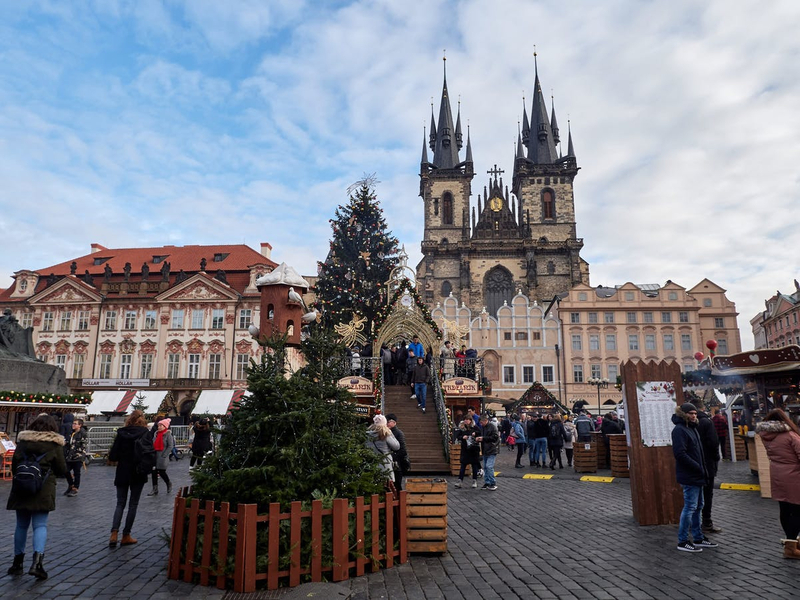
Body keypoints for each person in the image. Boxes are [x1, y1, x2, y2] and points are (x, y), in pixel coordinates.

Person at [6, 414, 67, 580]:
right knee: (40, 526)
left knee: (21, 526)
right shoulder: (54, 444)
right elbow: (62, 469)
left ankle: (17, 563)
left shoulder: (23, 442)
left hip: (22, 487)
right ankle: (37, 563)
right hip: (43, 490)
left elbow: (14, 464)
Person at [671, 403, 718, 553]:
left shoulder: (692, 428)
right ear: (683, 414)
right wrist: (697, 467)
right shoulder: (679, 430)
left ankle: (698, 537)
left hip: (698, 474)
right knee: (690, 507)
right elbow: (680, 454)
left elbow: (699, 452)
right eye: (690, 413)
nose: (693, 416)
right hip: (690, 474)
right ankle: (683, 540)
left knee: (699, 506)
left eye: (695, 413)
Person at [755, 409, 800, 559]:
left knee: (785, 509)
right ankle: (790, 547)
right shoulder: (790, 435)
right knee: (797, 511)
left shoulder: (765, 436)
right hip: (794, 475)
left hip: (777, 474)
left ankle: (792, 542)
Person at [108, 410, 149, 547]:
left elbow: (113, 455)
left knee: (120, 503)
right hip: (138, 471)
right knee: (133, 504)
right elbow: (149, 453)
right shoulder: (145, 433)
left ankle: (114, 533)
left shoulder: (121, 433)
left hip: (123, 471)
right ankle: (126, 535)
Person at [696, 407, 722, 534]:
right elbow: (713, 442)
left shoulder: (688, 424)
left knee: (695, 494)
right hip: (707, 463)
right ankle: (706, 521)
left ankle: (695, 522)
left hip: (694, 463)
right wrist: (716, 457)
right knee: (707, 493)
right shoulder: (706, 422)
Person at [365, 415, 400, 490]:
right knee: (387, 487)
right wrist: (391, 433)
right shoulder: (385, 434)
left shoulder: (367, 434)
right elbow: (396, 446)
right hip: (385, 464)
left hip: (372, 462)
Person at [148, 418, 174, 496]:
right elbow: (153, 442)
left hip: (162, 456)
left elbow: (170, 446)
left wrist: (165, 455)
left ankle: (168, 483)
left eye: (161, 426)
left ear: (165, 426)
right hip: (155, 455)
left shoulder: (168, 435)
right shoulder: (156, 434)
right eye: (158, 425)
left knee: (162, 472)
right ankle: (155, 489)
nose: (159, 427)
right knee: (154, 472)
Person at [454, 417, 482, 488]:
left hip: (473, 449)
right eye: (465, 419)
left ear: (470, 420)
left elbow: (480, 433)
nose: (466, 421)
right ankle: (460, 480)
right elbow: (457, 436)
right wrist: (462, 437)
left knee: (474, 466)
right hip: (465, 449)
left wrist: (475, 434)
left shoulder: (475, 427)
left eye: (467, 420)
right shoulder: (462, 428)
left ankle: (474, 480)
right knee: (463, 466)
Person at [64, 417, 88, 497]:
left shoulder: (83, 433)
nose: (73, 425)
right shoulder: (72, 433)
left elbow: (83, 445)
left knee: (77, 473)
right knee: (65, 470)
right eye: (73, 423)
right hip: (70, 456)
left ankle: (75, 488)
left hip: (78, 456)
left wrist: (77, 453)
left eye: (75, 424)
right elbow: (70, 443)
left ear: (80, 425)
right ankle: (71, 485)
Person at [385, 414, 410, 491]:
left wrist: (393, 457)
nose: (386, 424)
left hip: (396, 463)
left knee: (397, 484)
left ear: (394, 422)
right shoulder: (386, 432)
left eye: (388, 422)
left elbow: (402, 450)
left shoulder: (398, 433)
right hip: (389, 463)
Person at [476, 413, 500, 490]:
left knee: (489, 466)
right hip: (485, 449)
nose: (481, 424)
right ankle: (487, 482)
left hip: (491, 449)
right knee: (486, 467)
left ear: (485, 420)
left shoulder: (492, 427)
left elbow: (495, 437)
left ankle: (493, 482)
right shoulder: (483, 427)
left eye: (481, 422)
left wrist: (483, 438)